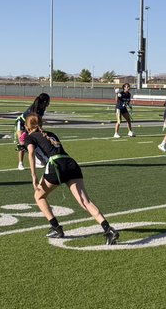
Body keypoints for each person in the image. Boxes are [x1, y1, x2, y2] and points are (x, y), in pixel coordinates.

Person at [24, 114, 119, 244]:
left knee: (39, 196)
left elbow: (30, 153)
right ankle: (109, 230)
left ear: (27, 127)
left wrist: (33, 176)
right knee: (86, 202)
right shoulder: (50, 134)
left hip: (56, 166)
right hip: (70, 163)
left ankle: (56, 227)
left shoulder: (30, 137)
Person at [15, 93, 51, 170]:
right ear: (44, 102)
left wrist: (41, 131)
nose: (49, 103)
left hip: (30, 125)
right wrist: (24, 135)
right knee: (22, 142)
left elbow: (38, 122)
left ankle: (38, 161)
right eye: (48, 101)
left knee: (36, 140)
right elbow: (29, 123)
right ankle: (20, 163)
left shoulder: (42, 108)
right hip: (22, 123)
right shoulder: (33, 110)